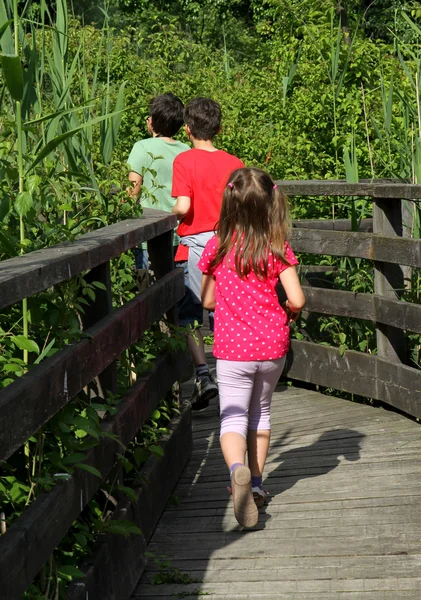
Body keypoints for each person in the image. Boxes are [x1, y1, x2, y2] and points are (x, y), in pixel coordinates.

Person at [198, 167, 306, 529]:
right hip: (272, 346)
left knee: (233, 416)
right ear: (270, 205)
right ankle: (257, 486)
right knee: (261, 413)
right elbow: (297, 298)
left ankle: (236, 471)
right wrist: (287, 312)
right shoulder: (277, 248)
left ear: (229, 203)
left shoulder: (219, 246)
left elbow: (208, 301)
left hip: (232, 349)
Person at [171, 97, 244, 410]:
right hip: (230, 242)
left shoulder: (184, 161)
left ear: (187, 130)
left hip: (196, 246)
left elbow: (183, 207)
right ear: (220, 128)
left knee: (189, 313)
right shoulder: (235, 164)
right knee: (223, 310)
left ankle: (203, 374)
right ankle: (230, 373)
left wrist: (168, 214)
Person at [127, 93, 190, 283]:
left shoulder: (142, 147)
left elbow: (132, 192)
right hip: (179, 235)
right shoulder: (186, 150)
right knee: (177, 290)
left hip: (148, 237)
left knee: (145, 289)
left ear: (152, 121)